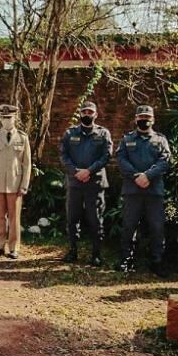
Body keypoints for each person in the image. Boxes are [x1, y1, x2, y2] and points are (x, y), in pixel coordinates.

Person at [115, 105, 171, 277]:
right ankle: (126, 260)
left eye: (147, 117)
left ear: (153, 119)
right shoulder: (127, 139)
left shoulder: (160, 140)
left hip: (154, 191)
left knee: (157, 227)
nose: (144, 119)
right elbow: (121, 159)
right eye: (141, 117)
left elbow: (165, 160)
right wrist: (136, 176)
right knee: (129, 226)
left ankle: (157, 261)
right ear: (136, 119)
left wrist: (147, 176)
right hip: (133, 191)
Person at [59, 101, 113, 267]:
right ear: (80, 114)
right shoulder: (70, 133)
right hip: (75, 183)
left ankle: (96, 254)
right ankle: (72, 250)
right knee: (72, 218)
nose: (87, 115)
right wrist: (76, 171)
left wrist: (88, 171)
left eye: (90, 112)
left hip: (94, 183)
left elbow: (106, 156)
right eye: (84, 112)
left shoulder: (103, 133)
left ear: (96, 115)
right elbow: (63, 155)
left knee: (95, 219)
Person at [0, 104, 32, 259]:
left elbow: (27, 163)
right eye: (4, 118)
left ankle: (14, 247)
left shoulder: (22, 137)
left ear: (15, 118)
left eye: (9, 118)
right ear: (0, 118)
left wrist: (24, 185)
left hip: (15, 182)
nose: (6, 121)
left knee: (14, 217)